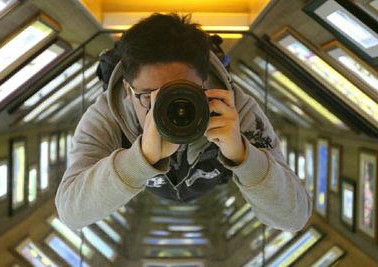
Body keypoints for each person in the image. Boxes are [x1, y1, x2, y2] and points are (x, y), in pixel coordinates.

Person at [55, 13, 311, 230]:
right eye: (147, 96)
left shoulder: (235, 109)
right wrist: (139, 159)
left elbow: (294, 217)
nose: (162, 109)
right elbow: (71, 211)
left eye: (183, 93)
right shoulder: (108, 114)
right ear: (126, 89)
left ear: (205, 83)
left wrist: (243, 154)